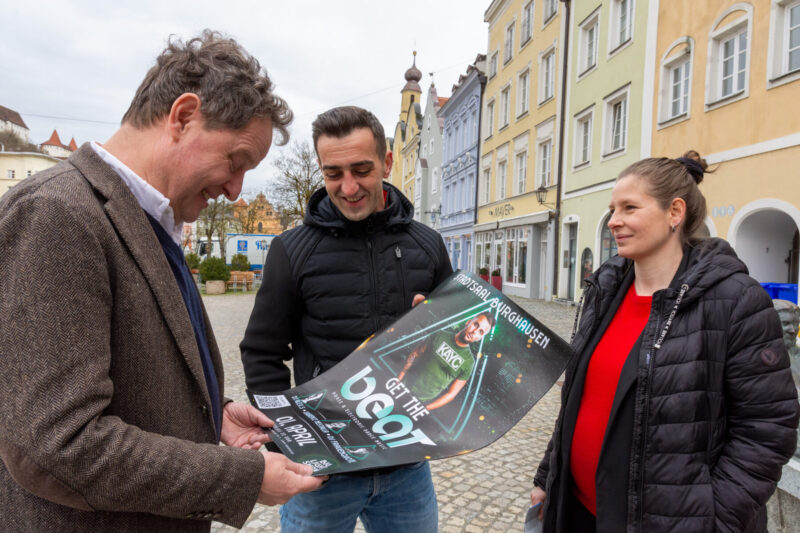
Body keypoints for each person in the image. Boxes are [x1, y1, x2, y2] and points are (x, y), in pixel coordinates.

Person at [0, 30, 323, 532]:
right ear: (184, 116)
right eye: (235, 162)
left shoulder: (151, 220)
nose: (236, 191)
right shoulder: (57, 214)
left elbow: (135, 377)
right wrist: (242, 478)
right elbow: (62, 445)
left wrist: (211, 414)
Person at [529, 152, 799, 532]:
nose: (614, 221)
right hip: (578, 512)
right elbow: (579, 398)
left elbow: (768, 429)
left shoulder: (736, 299)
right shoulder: (604, 291)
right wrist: (548, 478)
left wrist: (714, 519)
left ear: (675, 212)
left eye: (629, 208)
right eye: (612, 209)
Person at [241, 105, 453, 532]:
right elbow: (262, 352)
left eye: (361, 169)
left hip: (406, 468)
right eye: (333, 173)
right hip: (324, 476)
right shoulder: (292, 249)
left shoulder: (428, 246)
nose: (349, 186)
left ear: (387, 162)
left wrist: (433, 336)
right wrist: (290, 438)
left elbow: (462, 342)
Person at [397, 312, 495, 410]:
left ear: (480, 338)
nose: (475, 331)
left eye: (481, 332)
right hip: (402, 386)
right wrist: (400, 377)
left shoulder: (469, 362)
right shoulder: (440, 334)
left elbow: (451, 394)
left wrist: (424, 408)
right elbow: (416, 353)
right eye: (476, 325)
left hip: (420, 402)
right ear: (468, 322)